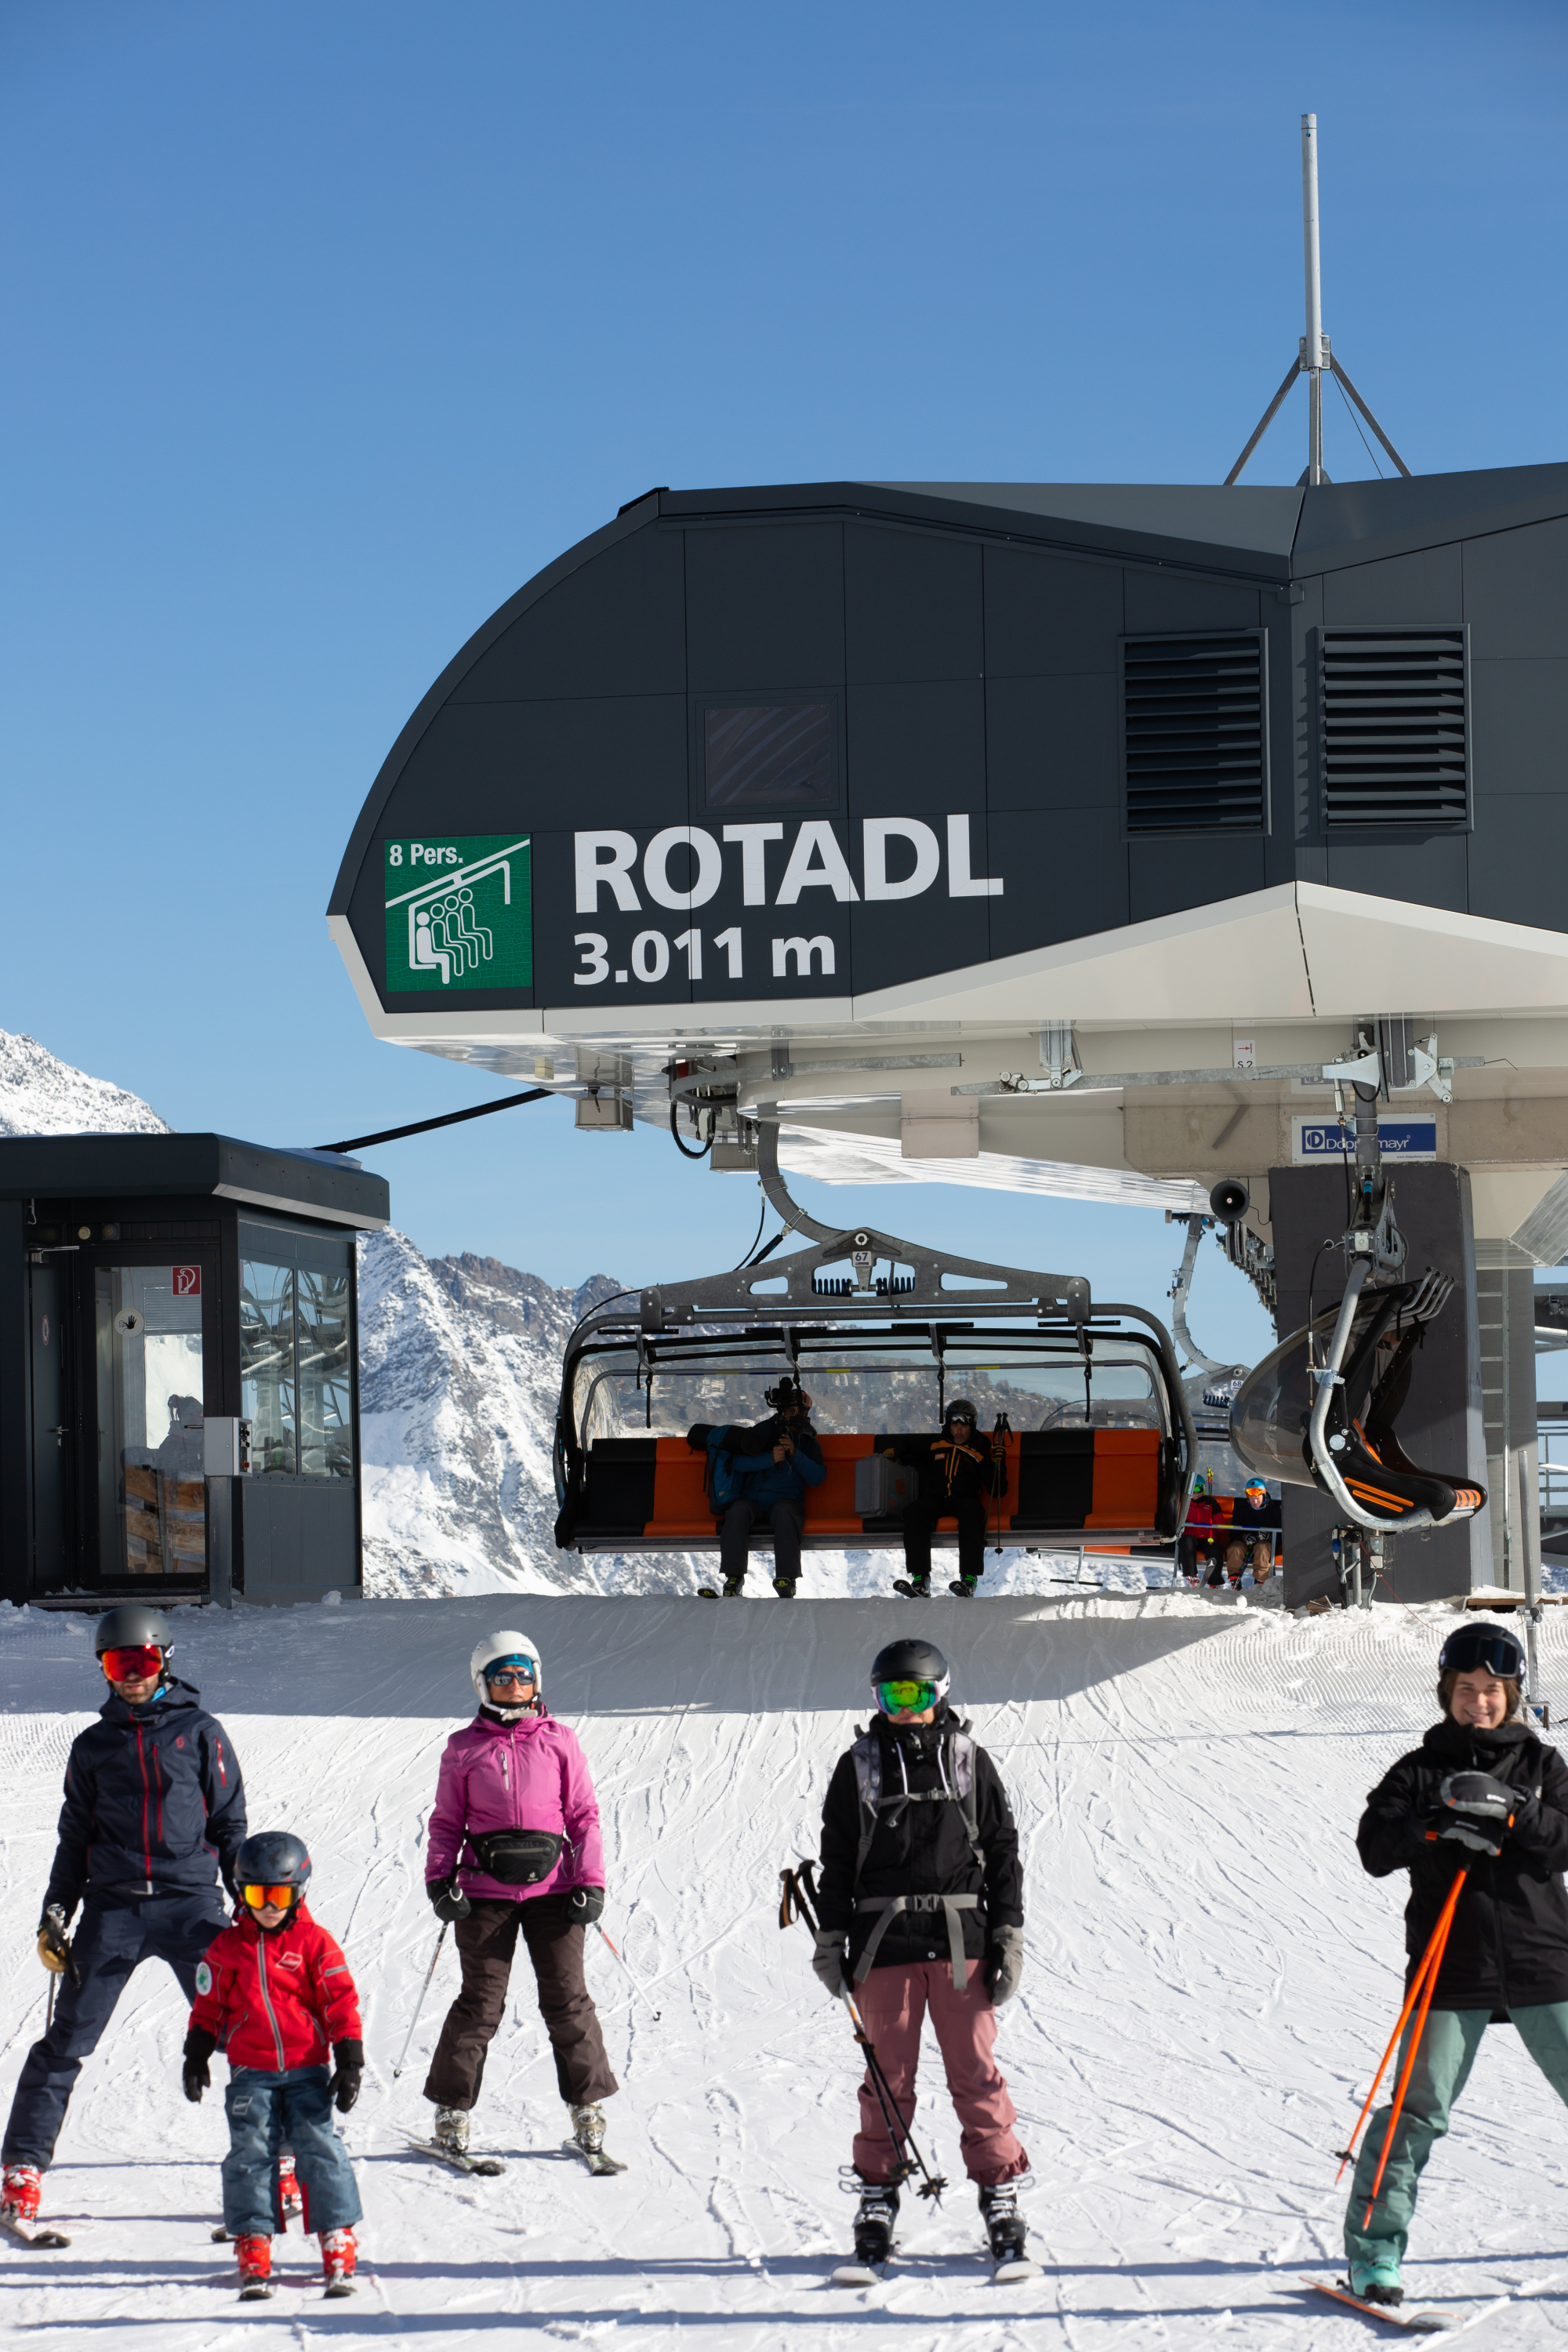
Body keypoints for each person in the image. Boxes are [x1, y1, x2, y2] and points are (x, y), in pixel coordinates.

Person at [1, 1605, 248, 2238]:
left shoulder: (201, 1732)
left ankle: (276, 2159)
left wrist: (247, 1901)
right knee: (66, 2039)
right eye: (118, 1663)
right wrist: (58, 1910)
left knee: (246, 2032)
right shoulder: (92, 1746)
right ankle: (21, 2169)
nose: (132, 1674)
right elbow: (73, 1838)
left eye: (142, 1660)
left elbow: (229, 1825)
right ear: (104, 1670)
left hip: (191, 1905)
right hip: (114, 1910)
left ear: (164, 1660)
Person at [1343, 1621, 1568, 2308]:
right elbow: (1375, 1847)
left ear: (1513, 1695)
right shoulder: (1419, 1770)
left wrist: (1517, 1811)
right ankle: (1375, 2255)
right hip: (1450, 1965)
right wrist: (1433, 1824)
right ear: (1447, 1693)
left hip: (1543, 1961)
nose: (1479, 1702)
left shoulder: (1542, 1766)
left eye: (1493, 1690)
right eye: (1466, 1689)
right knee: (1417, 2114)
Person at [811, 1637, 1029, 2274]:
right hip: (884, 1944)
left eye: (915, 1693)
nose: (903, 1707)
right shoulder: (858, 1766)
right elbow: (837, 1860)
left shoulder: (967, 1760)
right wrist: (831, 1937)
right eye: (891, 1695)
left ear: (940, 1693)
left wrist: (1008, 1933)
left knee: (976, 2074)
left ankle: (999, 2194)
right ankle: (878, 2197)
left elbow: (1003, 1851)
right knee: (887, 2080)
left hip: (962, 1943)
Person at [422, 1632, 619, 2171]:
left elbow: (584, 1816)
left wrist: (590, 1882)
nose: (514, 1685)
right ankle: (451, 2114)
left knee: (568, 2000)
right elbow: (446, 1822)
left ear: (537, 1680)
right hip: (484, 1894)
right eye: (502, 1676)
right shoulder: (463, 1748)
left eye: (523, 1675)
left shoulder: (560, 1740)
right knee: (480, 2004)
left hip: (555, 1891)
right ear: (482, 1683)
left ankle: (587, 2113)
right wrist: (440, 1881)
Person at [183, 1831, 364, 2299]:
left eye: (278, 1896)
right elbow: (208, 2006)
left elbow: (339, 2002)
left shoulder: (315, 1943)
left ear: (298, 1892)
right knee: (250, 2154)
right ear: (242, 1893)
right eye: (257, 1895)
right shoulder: (228, 1948)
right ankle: (253, 2239)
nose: (267, 1906)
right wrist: (196, 2053)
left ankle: (337, 2236)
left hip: (307, 2068)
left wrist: (349, 2059)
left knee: (320, 2147)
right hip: (251, 2073)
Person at [711, 1377, 826, 1599]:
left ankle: (787, 1578)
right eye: (791, 1411)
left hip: (786, 1500)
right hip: (753, 1500)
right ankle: (734, 1577)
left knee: (785, 1513)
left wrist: (795, 1454)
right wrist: (769, 1459)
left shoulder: (809, 1442)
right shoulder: (762, 1433)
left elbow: (817, 1478)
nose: (796, 1416)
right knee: (737, 1511)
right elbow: (736, 1464)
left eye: (800, 1412)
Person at [891, 1400, 1007, 1599]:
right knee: (914, 1512)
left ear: (972, 1426)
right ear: (948, 1424)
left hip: (964, 1500)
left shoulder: (979, 1453)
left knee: (973, 1513)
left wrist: (999, 1463)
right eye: (954, 1425)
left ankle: (969, 1579)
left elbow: (998, 1491)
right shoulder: (934, 1445)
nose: (959, 1431)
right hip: (935, 1499)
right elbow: (908, 1445)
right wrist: (895, 1452)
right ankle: (921, 1579)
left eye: (964, 1426)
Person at [1225, 1479, 1281, 1583]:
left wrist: (1269, 1536)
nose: (1255, 1502)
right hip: (1245, 1542)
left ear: (1264, 1494)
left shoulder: (1275, 1511)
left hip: (1265, 1544)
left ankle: (1261, 1580)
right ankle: (1234, 1578)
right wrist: (1244, 1536)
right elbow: (1233, 1532)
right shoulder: (1242, 1510)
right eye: (1252, 1499)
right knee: (1235, 1548)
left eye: (1258, 1499)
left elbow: (1282, 1535)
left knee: (1262, 1547)